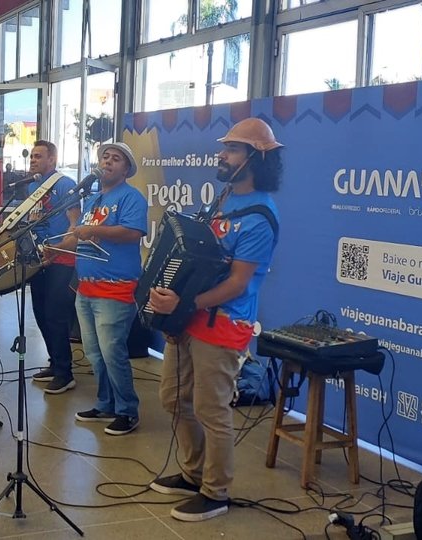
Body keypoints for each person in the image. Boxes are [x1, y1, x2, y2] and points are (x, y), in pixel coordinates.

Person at [147, 118, 284, 522]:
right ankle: (192, 475)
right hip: (189, 321)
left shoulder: (260, 216)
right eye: (224, 148)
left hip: (224, 324)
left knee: (212, 409)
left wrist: (184, 306)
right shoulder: (223, 199)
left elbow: (239, 283)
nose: (221, 155)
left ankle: (215, 491)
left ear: (255, 158)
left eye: (232, 150)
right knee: (174, 399)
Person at [69, 142, 148, 436]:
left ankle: (127, 411)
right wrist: (51, 250)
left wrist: (94, 231)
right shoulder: (92, 201)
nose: (108, 162)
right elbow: (79, 237)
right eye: (105, 157)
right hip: (86, 289)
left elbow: (132, 233)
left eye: (116, 159)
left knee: (112, 351)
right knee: (94, 353)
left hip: (115, 290)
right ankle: (105, 403)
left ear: (126, 169)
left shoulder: (131, 198)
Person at [18, 141, 82, 395]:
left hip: (61, 260)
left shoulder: (64, 185)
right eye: (32, 155)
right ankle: (55, 363)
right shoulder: (33, 186)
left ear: (52, 160)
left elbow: (74, 223)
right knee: (41, 313)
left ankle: (65, 373)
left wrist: (58, 249)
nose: (33, 160)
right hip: (39, 260)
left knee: (56, 315)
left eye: (39, 156)